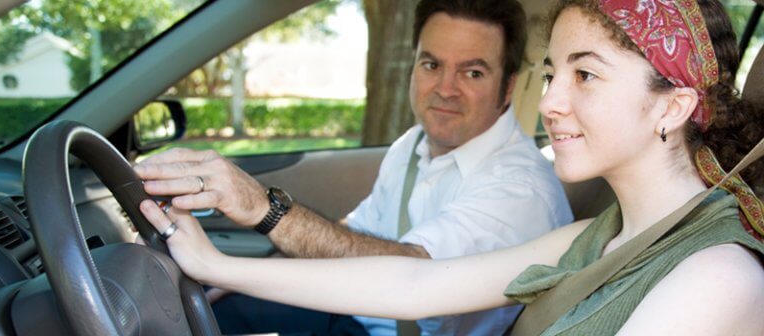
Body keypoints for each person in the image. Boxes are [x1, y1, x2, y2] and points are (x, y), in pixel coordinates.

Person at [139, 0, 764, 334]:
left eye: (585, 75)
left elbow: (413, 280)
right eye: (556, 73)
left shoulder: (719, 274)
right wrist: (217, 267)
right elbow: (415, 288)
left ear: (673, 106)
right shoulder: (597, 238)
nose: (552, 104)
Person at [134, 0, 573, 335]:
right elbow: (355, 230)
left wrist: (260, 211)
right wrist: (253, 274)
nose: (445, 89)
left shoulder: (521, 189)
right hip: (349, 314)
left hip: (382, 324)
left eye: (473, 73)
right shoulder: (414, 144)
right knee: (198, 314)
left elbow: (416, 275)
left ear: (508, 85)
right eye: (431, 64)